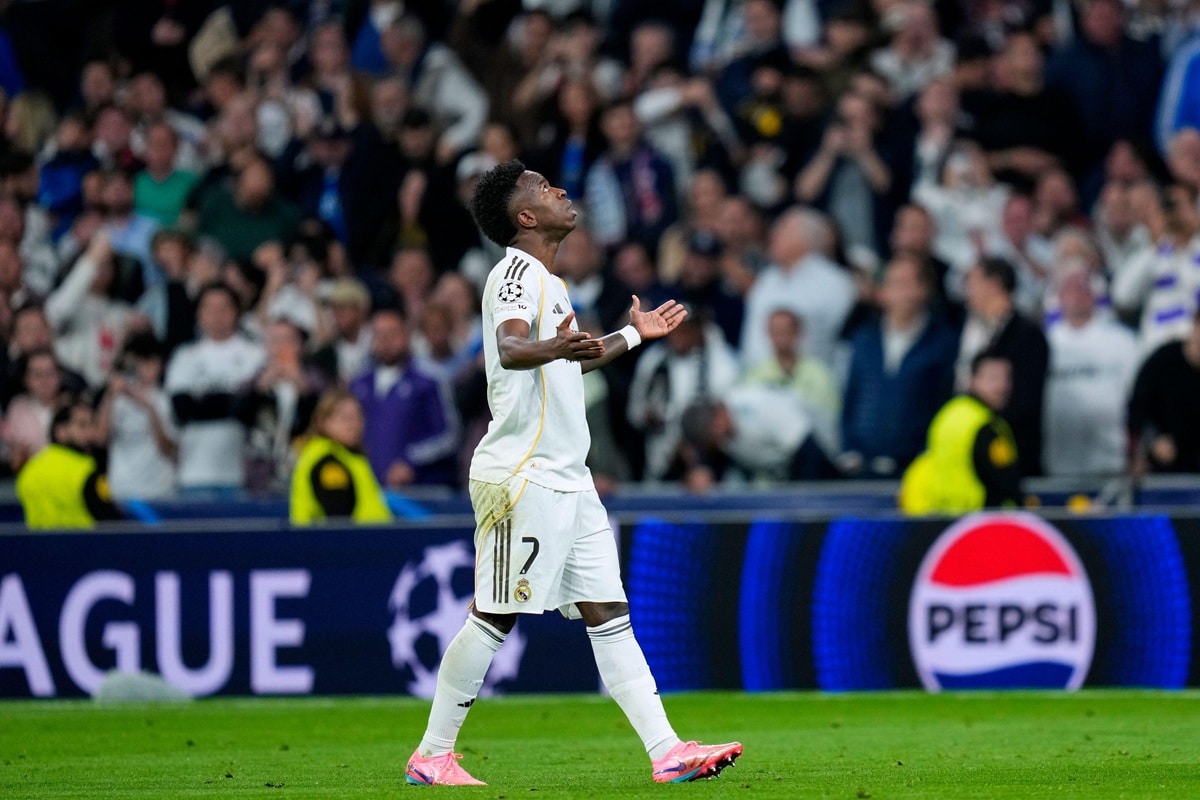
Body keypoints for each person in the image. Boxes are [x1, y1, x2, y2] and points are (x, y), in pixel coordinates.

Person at [405, 159, 742, 786]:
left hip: (569, 478)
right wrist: (559, 345)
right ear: (525, 217)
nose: (559, 189)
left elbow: (565, 362)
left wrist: (631, 336)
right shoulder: (514, 272)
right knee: (496, 613)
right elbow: (510, 348)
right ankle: (432, 753)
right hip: (522, 475)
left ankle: (666, 751)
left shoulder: (551, 284)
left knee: (609, 613)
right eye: (541, 187)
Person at [899, 349, 1021, 515]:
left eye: (1007, 378)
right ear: (973, 380)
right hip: (978, 520)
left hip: (939, 514)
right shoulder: (987, 426)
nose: (1002, 386)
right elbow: (1005, 480)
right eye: (993, 378)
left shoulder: (949, 412)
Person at [290, 389, 391, 525]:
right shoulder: (329, 463)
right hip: (349, 544)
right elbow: (338, 523)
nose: (353, 425)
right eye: (345, 418)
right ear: (323, 421)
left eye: (358, 417)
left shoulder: (348, 456)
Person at [16, 400, 122, 530]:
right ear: (61, 432)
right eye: (82, 425)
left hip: (37, 548)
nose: (91, 432)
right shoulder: (87, 472)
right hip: (82, 546)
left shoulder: (28, 470)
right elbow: (113, 523)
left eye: (92, 424)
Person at [1128, 310, 1200, 474]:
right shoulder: (1163, 360)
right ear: (1195, 326)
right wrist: (1153, 439)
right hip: (1165, 468)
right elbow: (1137, 408)